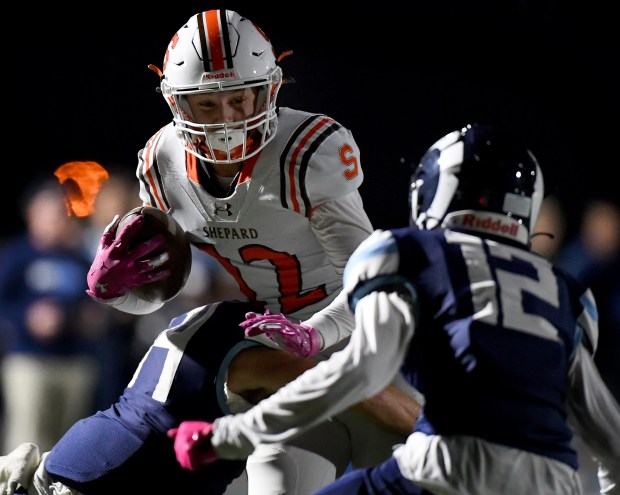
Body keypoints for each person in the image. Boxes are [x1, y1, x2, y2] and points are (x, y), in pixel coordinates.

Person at [0, 9, 421, 495]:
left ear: (270, 90)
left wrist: (312, 332)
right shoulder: (162, 163)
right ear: (177, 104)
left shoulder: (306, 153)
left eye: (239, 99)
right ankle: (49, 478)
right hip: (263, 332)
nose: (226, 120)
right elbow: (163, 283)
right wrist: (120, 287)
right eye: (206, 104)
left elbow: (369, 282)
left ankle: (44, 476)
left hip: (360, 333)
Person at [167, 123, 620, 494]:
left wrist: (227, 438)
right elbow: (610, 435)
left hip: (446, 466)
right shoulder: (566, 293)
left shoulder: (412, 255)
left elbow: (361, 373)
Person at [0, 180, 100, 454]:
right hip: (30, 359)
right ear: (33, 214)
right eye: (51, 211)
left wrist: (86, 316)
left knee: (67, 444)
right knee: (27, 442)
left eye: (61, 212)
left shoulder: (78, 258)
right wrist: (27, 318)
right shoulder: (17, 254)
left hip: (74, 359)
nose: (58, 218)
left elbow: (93, 303)